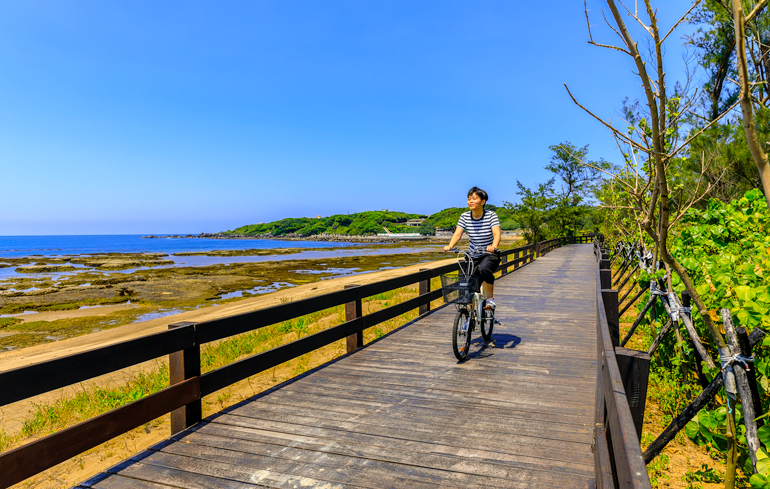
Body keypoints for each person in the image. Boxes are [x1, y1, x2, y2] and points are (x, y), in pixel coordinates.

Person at [443, 186, 501, 310]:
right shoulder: (464, 216)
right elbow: (458, 233)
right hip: (472, 254)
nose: (471, 201)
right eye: (469, 199)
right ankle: (468, 316)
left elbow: (497, 233)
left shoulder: (491, 215)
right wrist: (450, 245)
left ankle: (490, 300)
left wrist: (493, 246)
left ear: (483, 201)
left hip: (489, 254)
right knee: (468, 281)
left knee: (484, 270)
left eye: (474, 199)